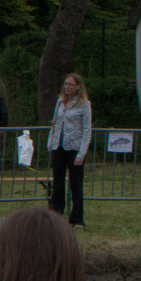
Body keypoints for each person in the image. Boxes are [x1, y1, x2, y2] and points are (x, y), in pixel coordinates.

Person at [46, 74, 91, 227]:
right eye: (66, 84)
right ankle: (55, 215)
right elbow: (55, 123)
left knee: (76, 184)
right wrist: (51, 143)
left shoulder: (84, 105)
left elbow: (86, 130)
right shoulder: (60, 101)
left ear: (78, 86)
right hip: (59, 146)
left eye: (71, 84)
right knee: (57, 182)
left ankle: (77, 218)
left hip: (74, 148)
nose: (67, 87)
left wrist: (81, 154)